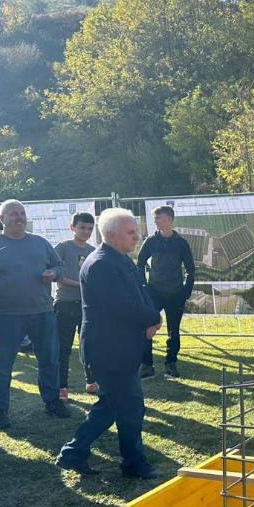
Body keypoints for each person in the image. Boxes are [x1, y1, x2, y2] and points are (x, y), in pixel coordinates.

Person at [56, 209, 163, 479]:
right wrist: (152, 317)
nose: (137, 236)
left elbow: (142, 292)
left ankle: (73, 453)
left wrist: (153, 316)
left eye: (136, 231)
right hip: (108, 351)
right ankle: (133, 464)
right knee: (130, 406)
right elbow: (120, 305)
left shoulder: (121, 259)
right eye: (131, 232)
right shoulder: (101, 263)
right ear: (112, 235)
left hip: (120, 348)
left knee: (112, 406)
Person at [0, 199, 69, 430]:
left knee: (49, 360)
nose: (19, 217)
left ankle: (52, 401)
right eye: (14, 214)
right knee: (2, 365)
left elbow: (59, 265)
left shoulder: (39, 242)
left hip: (43, 311)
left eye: (22, 213)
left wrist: (53, 273)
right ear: (1, 219)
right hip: (6, 315)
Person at [137, 205, 195, 380]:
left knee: (173, 331)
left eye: (158, 218)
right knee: (147, 327)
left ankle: (171, 364)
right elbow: (139, 263)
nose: (155, 221)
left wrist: (186, 291)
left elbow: (191, 269)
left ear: (169, 219)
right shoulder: (151, 241)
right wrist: (144, 287)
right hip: (153, 292)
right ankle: (147, 366)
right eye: (155, 218)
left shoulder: (181, 243)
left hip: (176, 293)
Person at [54, 212, 98, 402]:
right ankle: (62, 387)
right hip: (64, 304)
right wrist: (81, 284)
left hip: (87, 305)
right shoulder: (63, 247)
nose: (85, 231)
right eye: (82, 227)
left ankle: (92, 381)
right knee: (63, 348)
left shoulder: (94, 250)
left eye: (89, 228)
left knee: (89, 346)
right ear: (73, 227)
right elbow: (57, 276)